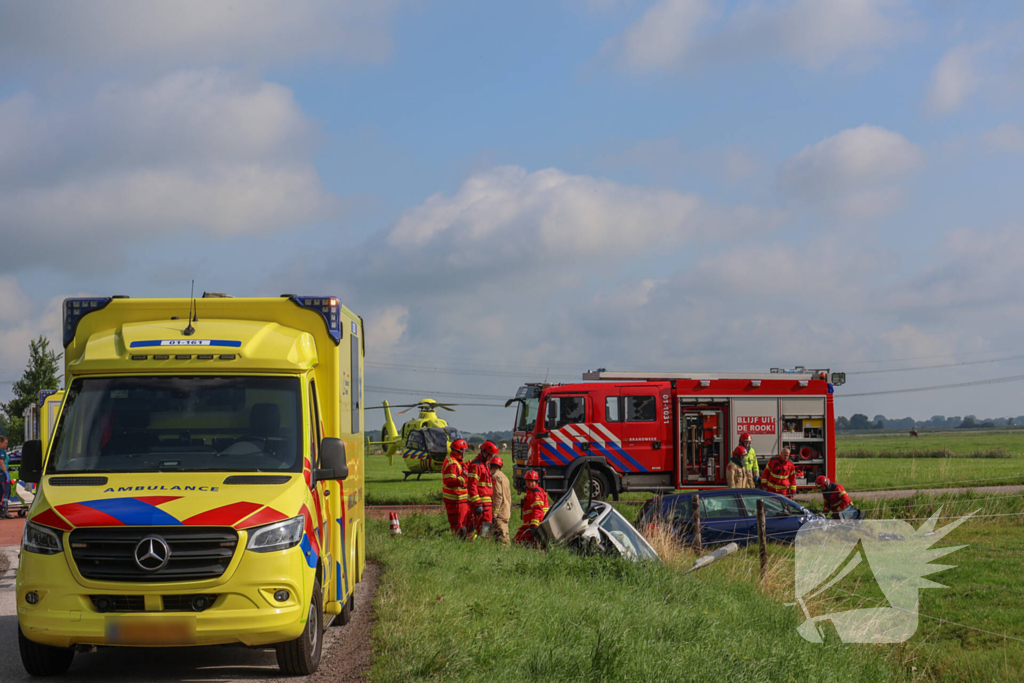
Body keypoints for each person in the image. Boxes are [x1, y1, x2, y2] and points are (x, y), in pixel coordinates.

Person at [466, 441, 497, 537]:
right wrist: (477, 503)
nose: (491, 457)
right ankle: (481, 544)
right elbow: (472, 486)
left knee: (486, 527)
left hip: (487, 505)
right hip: (481, 506)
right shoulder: (476, 465)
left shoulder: (485, 464)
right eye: (490, 455)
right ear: (484, 452)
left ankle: (482, 544)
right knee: (482, 528)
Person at [441, 439, 470, 535]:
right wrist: (464, 478)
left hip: (459, 500)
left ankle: (466, 540)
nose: (465, 452)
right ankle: (460, 542)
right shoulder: (452, 463)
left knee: (463, 523)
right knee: (459, 525)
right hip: (455, 500)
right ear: (460, 451)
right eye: (464, 450)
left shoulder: (455, 460)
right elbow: (450, 482)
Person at [514, 470, 549, 545]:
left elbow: (537, 511)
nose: (530, 483)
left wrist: (534, 526)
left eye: (532, 481)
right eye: (528, 481)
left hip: (535, 525)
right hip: (529, 525)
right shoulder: (531, 492)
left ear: (536, 482)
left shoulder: (536, 493)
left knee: (519, 543)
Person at [489, 455, 512, 546]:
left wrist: (494, 513)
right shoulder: (505, 477)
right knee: (505, 536)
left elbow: (497, 496)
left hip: (500, 513)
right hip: (506, 510)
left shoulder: (495, 477)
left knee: (502, 540)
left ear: (491, 466)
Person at [0, 436, 9, 519]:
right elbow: (1, 462)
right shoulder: (1, 451)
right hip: (2, 474)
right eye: (5, 443)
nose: (6, 445)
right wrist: (6, 473)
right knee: (5, 492)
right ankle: (4, 511)